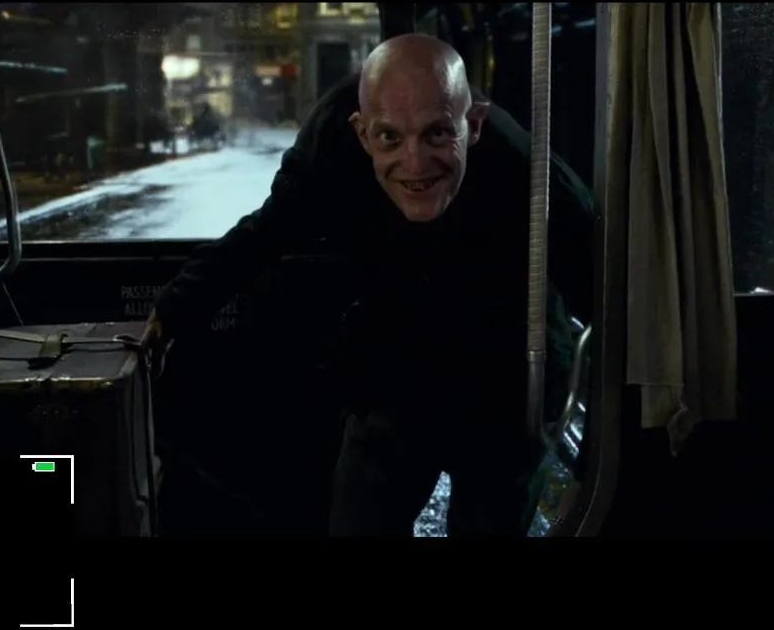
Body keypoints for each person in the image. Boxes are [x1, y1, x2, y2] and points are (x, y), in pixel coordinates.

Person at [146, 33, 594, 536]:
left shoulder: (530, 176)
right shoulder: (330, 142)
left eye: (436, 135)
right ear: (361, 134)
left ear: (473, 125)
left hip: (505, 365)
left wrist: (606, 442)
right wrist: (170, 313)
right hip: (396, 354)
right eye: (389, 139)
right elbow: (265, 233)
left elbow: (605, 294)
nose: (415, 163)